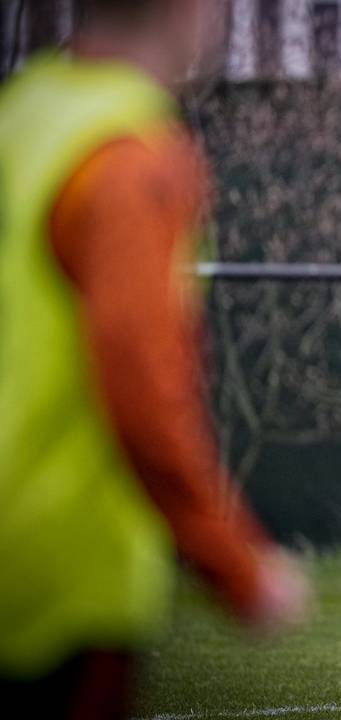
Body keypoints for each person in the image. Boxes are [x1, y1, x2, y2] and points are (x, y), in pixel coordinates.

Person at [0, 1, 309, 717]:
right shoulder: (130, 155)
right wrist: (233, 563)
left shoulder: (24, 110)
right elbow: (138, 384)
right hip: (55, 583)